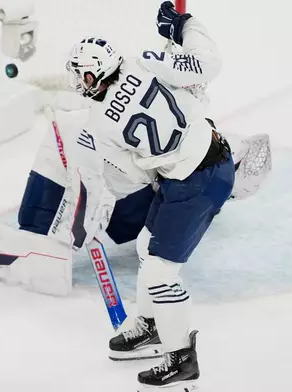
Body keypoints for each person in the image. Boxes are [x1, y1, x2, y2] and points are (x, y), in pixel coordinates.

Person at [62, 2, 232, 390]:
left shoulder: (98, 126)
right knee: (146, 245)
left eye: (83, 74)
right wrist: (184, 24)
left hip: (196, 180)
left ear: (97, 73)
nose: (80, 81)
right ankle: (153, 325)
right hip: (210, 156)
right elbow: (208, 63)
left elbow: (137, 175)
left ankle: (181, 358)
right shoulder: (147, 60)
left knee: (160, 271)